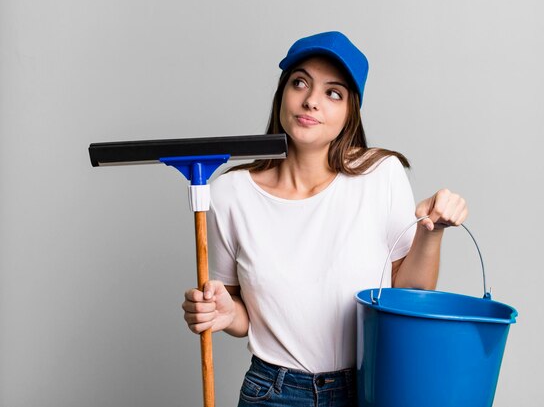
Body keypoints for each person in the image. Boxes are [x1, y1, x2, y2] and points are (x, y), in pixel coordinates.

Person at [182, 31, 468, 406]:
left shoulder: (381, 174)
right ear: (282, 93)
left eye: (333, 93)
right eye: (300, 82)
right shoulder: (229, 194)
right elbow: (241, 314)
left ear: (351, 112)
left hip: (370, 387)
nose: (312, 101)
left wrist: (434, 233)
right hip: (273, 392)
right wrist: (223, 312)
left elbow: (406, 294)